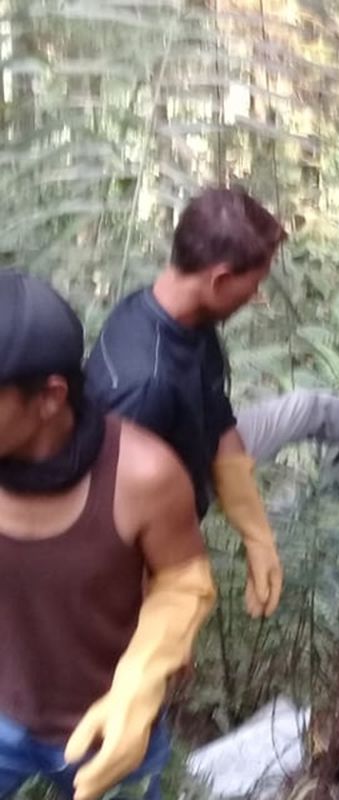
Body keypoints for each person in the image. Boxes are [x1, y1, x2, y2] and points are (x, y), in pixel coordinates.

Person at [85, 187, 339, 618]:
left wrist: (257, 536)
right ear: (220, 279)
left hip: (193, 439)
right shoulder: (144, 386)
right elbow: (122, 537)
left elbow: (220, 424)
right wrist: (161, 628)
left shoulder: (179, 315)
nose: (256, 297)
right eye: (254, 285)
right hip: (157, 510)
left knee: (307, 407)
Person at [0, 271, 215, 800]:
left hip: (110, 723)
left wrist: (141, 682)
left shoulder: (143, 474)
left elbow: (184, 579)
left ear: (50, 397)